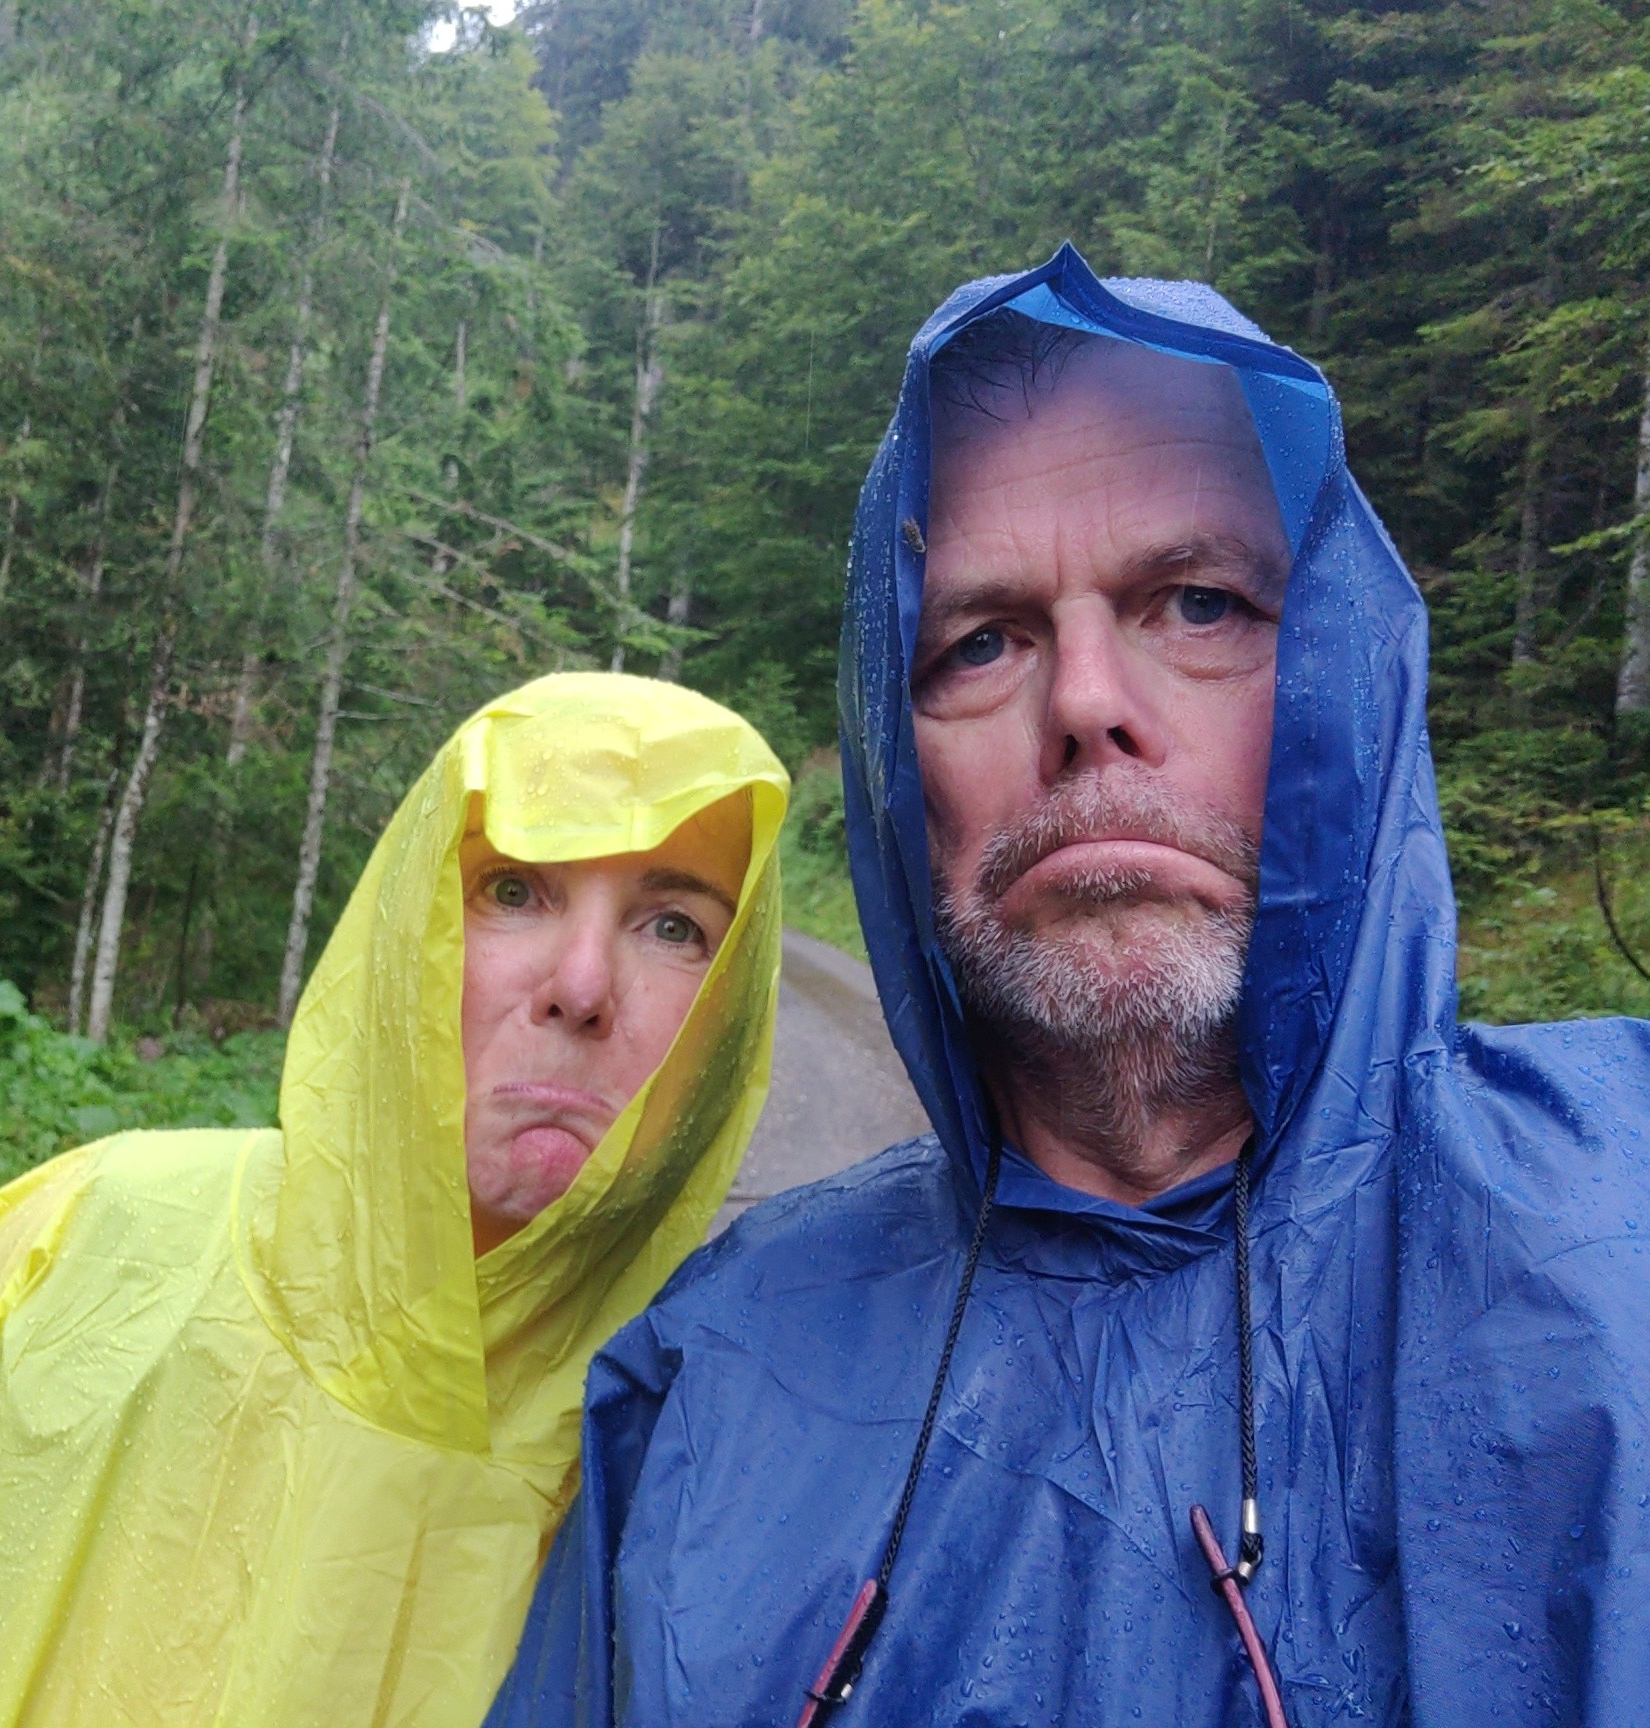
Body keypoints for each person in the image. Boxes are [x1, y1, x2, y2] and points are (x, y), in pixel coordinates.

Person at [488, 247, 1650, 1727]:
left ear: (1342, 675)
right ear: (902, 766)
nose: (1088, 704)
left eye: (1202, 606)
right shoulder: (710, 1378)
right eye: (981, 643)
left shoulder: (1619, 1229)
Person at [0, 672, 789, 1728]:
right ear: (409, 930)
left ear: (731, 1016)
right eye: (512, 891)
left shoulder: (724, 1450)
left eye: (675, 927)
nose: (582, 987)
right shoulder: (84, 1240)